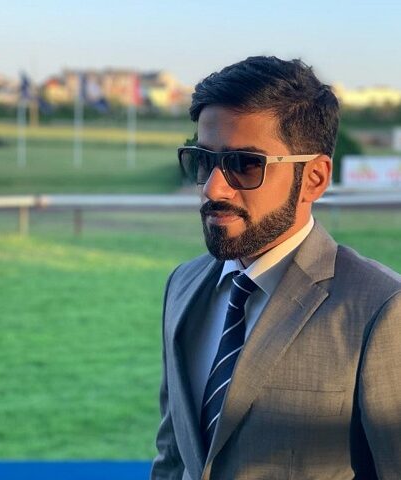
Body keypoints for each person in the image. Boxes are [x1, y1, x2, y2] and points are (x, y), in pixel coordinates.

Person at [150, 56, 401, 480]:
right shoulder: (182, 285)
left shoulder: (381, 309)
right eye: (203, 159)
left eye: (245, 164)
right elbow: (173, 456)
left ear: (315, 178)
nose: (213, 187)